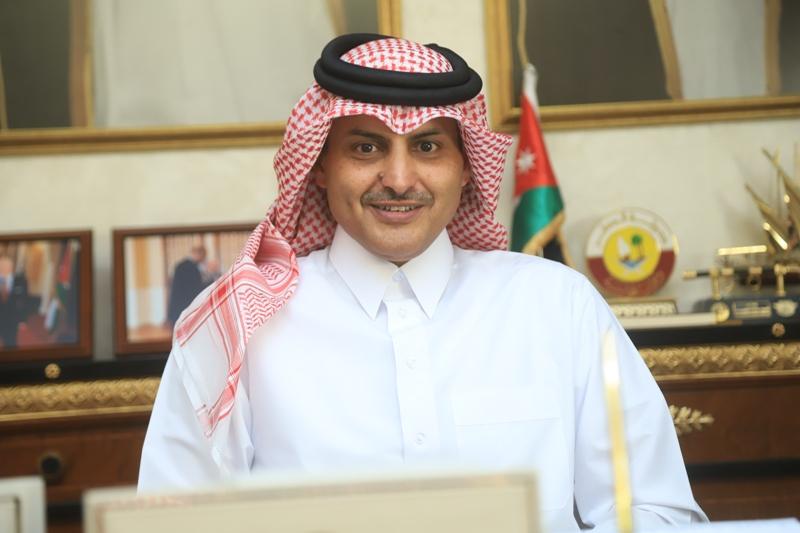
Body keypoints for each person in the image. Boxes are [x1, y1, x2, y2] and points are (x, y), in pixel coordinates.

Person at [139, 34, 706, 531]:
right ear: (320, 165)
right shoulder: (236, 326)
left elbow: (654, 511)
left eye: (428, 146)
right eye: (366, 147)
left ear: (466, 165)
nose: (398, 178)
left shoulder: (558, 305)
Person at [166, 245, 210, 327]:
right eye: (203, 257)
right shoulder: (191, 267)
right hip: (184, 305)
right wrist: (210, 282)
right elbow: (196, 287)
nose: (202, 260)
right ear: (198, 254)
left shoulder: (180, 265)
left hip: (177, 304)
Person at [0, 254, 30, 349]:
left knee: (10, 344)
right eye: (2, 264)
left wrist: (23, 319)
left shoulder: (21, 281)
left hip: (12, 320)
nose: (5, 267)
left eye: (7, 265)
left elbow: (25, 301)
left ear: (12, 267)